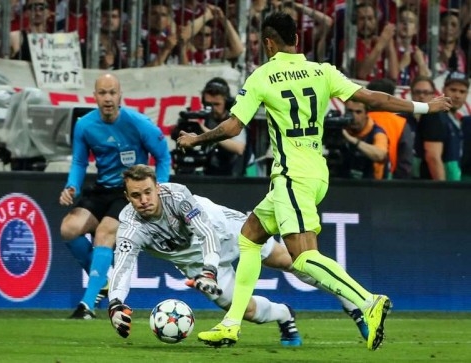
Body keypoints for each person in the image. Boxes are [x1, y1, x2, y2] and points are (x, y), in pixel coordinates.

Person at [176, 11, 452, 350]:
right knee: (250, 236)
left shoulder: (262, 76)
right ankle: (231, 324)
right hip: (315, 172)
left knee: (304, 257)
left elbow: (234, 127)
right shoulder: (321, 71)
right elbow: (373, 98)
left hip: (292, 177)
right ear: (297, 39)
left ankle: (368, 301)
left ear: (268, 43)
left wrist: (196, 139)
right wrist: (425, 106)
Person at [107, 164, 368, 344]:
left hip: (225, 231)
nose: (143, 200)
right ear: (127, 197)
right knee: (247, 311)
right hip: (198, 265)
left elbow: (205, 233)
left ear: (157, 186)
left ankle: (352, 303)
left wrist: (208, 271)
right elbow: (123, 265)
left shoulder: (177, 195)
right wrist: (115, 303)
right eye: (136, 195)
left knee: (293, 261)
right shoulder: (130, 226)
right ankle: (284, 315)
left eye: (148, 192)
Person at [59, 73, 171, 319]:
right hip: (101, 189)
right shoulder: (85, 125)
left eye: (112, 93)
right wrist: (71, 186)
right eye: (102, 93)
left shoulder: (138, 123)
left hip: (128, 192)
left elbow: (163, 155)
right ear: (95, 96)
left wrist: (160, 187)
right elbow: (79, 161)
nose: (108, 98)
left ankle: (87, 306)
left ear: (120, 95)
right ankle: (104, 282)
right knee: (69, 228)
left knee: (104, 234)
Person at [413, 71, 469, 181]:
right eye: (453, 90)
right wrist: (443, 189)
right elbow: (433, 157)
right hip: (430, 187)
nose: (457, 95)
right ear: (443, 90)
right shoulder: (435, 116)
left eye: (462, 92)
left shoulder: (453, 120)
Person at [366, 78, 414, 179]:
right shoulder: (401, 123)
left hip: (358, 179)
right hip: (388, 181)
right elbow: (405, 161)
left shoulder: (360, 119)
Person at [341, 99, 390, 180]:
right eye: (350, 111)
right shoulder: (340, 129)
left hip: (371, 185)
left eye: (358, 112)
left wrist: (353, 140)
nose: (354, 116)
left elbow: (380, 155)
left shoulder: (377, 133)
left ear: (366, 114)